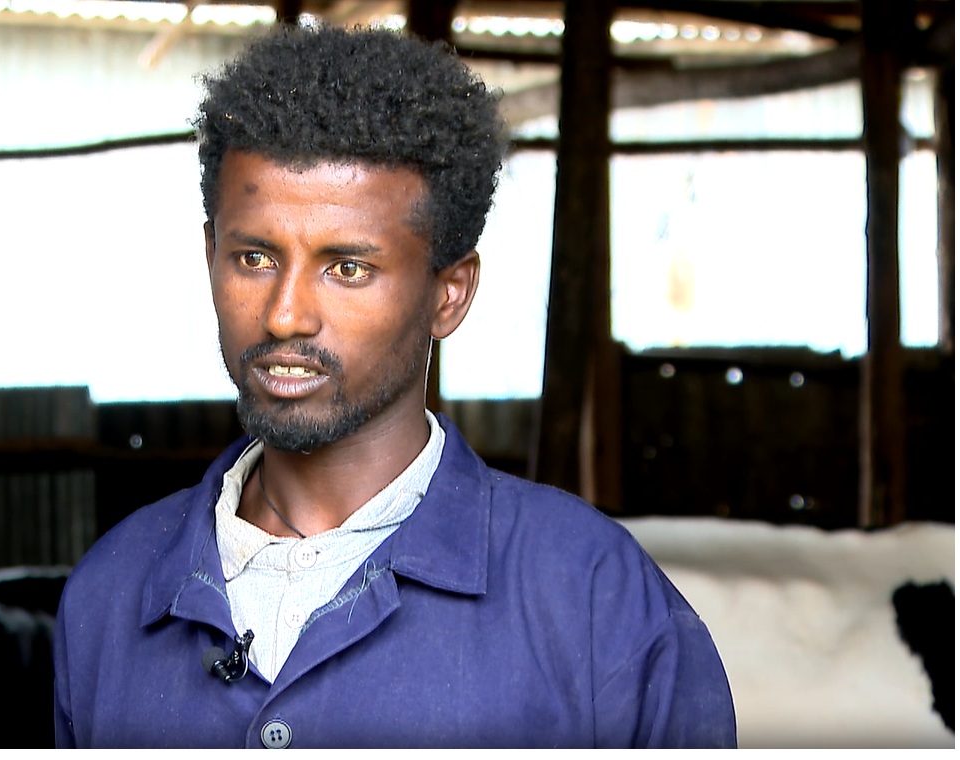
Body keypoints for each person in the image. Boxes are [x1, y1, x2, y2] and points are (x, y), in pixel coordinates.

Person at [53, 23, 737, 749]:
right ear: (209, 253)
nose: (284, 315)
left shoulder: (593, 597)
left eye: (346, 268)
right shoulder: (109, 595)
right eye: (253, 258)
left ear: (449, 293)